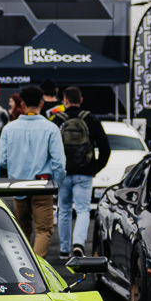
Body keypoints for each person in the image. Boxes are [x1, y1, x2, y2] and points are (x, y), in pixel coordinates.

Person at [0, 84, 66, 257]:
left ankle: (22, 265)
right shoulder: (51, 128)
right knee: (43, 230)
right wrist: (57, 184)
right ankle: (36, 267)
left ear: (22, 104)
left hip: (17, 185)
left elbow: (2, 161)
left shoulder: (9, 128)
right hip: (42, 185)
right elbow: (59, 162)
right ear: (41, 103)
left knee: (21, 232)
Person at [50, 86, 110, 258]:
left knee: (64, 210)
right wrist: (95, 168)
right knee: (83, 210)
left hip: (63, 172)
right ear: (81, 100)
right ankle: (78, 244)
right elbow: (105, 148)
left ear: (65, 100)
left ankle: (64, 250)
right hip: (84, 172)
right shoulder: (91, 119)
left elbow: (50, 147)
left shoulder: (57, 120)